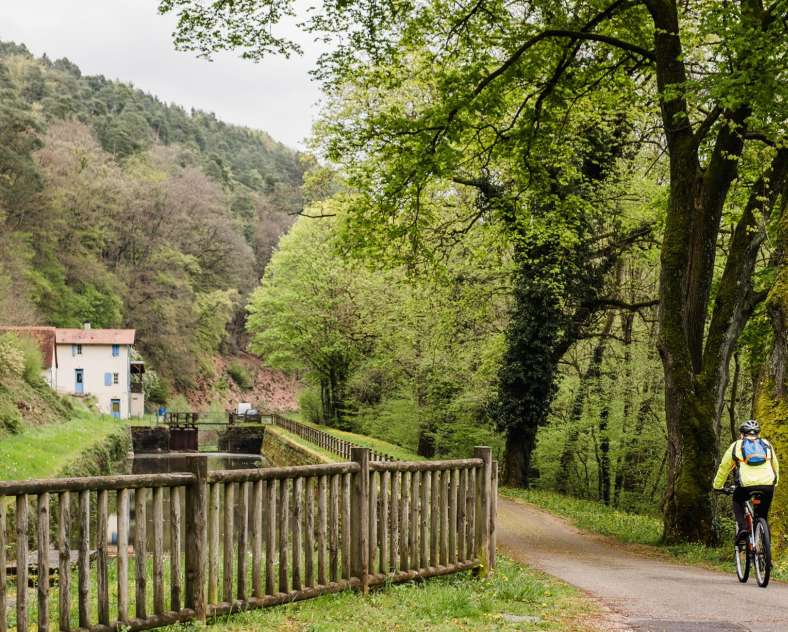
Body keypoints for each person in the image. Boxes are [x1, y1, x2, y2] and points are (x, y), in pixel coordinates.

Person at [713, 419, 780, 543]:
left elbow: (724, 467)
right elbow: (775, 464)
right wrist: (775, 482)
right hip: (768, 485)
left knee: (737, 499)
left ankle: (743, 528)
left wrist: (718, 486)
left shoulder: (736, 445)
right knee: (762, 516)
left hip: (746, 486)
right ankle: (766, 550)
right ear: (758, 434)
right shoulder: (766, 444)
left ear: (742, 434)